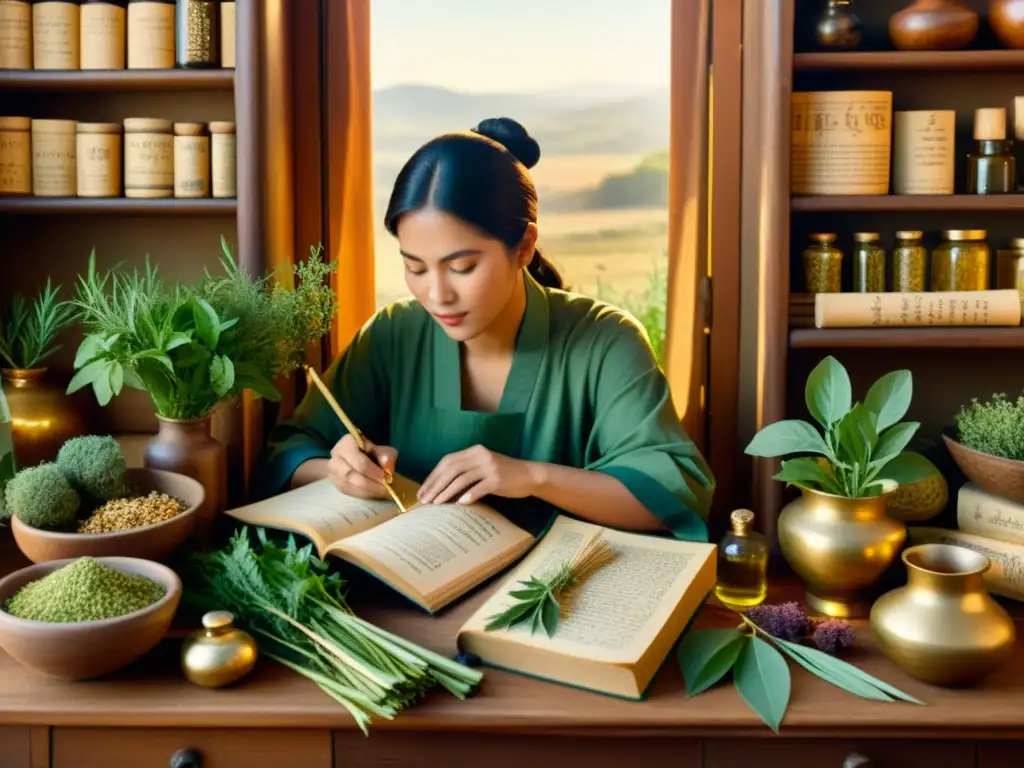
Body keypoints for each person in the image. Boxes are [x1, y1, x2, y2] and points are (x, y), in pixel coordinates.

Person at [256, 117, 715, 541]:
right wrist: (337, 470)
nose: (437, 295)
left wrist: (532, 476)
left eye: (462, 267)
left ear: (525, 246)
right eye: (415, 268)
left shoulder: (604, 341)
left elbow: (673, 491)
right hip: (411, 595)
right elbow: (292, 450)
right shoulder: (393, 334)